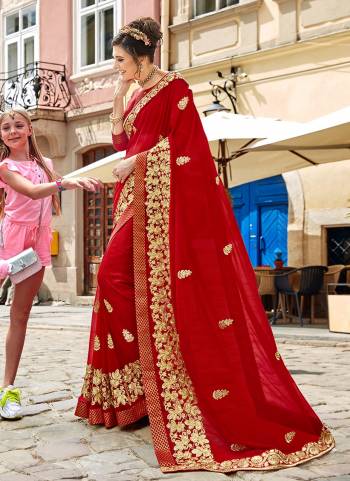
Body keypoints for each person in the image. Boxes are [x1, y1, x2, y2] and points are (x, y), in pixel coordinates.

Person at [75, 17, 335, 474]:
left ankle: (170, 379)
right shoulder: (133, 91)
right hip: (132, 200)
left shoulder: (174, 87)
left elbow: (187, 145)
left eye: (120, 60)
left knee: (119, 279)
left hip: (159, 203)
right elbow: (120, 138)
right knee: (113, 284)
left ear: (142, 55)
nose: (117, 67)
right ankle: (135, 396)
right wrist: (119, 97)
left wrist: (138, 159)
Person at [0, 108, 101, 420]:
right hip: (9, 243)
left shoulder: (45, 164)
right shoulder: (4, 166)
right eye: (6, 127)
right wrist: (66, 184)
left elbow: (59, 183)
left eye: (18, 125)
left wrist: (84, 178)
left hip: (36, 245)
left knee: (21, 316)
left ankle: (7, 390)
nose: (12, 131)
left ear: (30, 129)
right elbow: (31, 193)